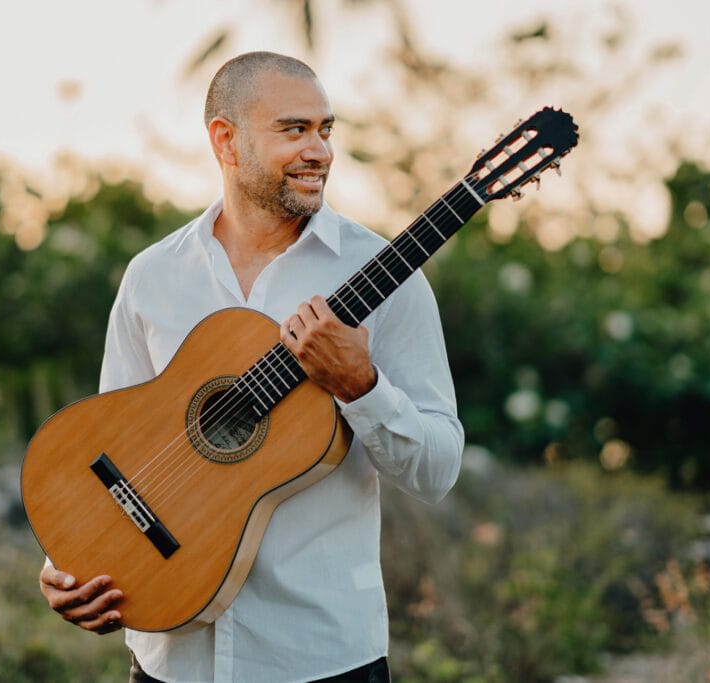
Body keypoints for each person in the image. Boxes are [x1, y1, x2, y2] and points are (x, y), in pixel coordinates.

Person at [39, 51, 464, 683]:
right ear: (225, 140)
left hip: (321, 658)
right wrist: (67, 562)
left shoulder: (388, 278)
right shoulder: (154, 277)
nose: (318, 149)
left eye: (326, 129)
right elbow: (106, 452)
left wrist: (362, 386)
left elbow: (438, 469)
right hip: (170, 663)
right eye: (294, 130)